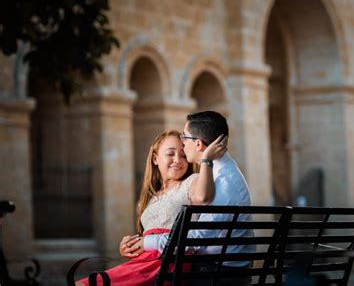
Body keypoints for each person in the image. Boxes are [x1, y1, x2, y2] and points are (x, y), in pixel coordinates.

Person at [76, 129, 227, 286]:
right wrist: (129, 246)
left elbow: (203, 197)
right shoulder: (151, 197)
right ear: (155, 159)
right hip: (144, 261)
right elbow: (147, 236)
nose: (177, 160)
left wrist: (206, 160)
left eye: (183, 155)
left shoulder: (191, 181)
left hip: (166, 262)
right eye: (170, 154)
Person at [142, 111, 255, 285]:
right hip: (214, 270)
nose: (182, 142)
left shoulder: (224, 183)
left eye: (184, 137)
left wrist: (147, 242)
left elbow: (197, 238)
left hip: (216, 274)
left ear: (198, 144)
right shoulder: (219, 173)